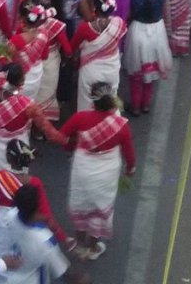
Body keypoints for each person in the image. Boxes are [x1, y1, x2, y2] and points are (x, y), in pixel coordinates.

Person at [56, 82, 135, 260]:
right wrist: (130, 170)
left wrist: (71, 146)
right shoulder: (120, 125)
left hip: (83, 167)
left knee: (81, 203)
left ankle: (79, 243)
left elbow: (62, 136)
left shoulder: (80, 118)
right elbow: (129, 153)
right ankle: (92, 248)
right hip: (107, 171)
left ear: (92, 100)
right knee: (99, 205)